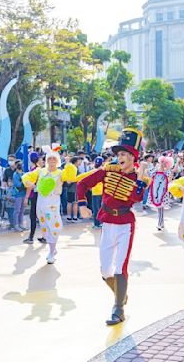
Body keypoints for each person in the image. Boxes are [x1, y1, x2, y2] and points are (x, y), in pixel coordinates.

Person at [77, 128, 150, 326]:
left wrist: (141, 179)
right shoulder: (107, 170)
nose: (120, 157)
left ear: (133, 157)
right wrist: (82, 205)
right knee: (105, 271)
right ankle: (121, 295)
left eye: (125, 154)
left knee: (120, 267)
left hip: (125, 224)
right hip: (107, 223)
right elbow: (82, 184)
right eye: (119, 154)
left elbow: (136, 198)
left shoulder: (139, 179)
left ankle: (118, 309)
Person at [22, 145, 74, 264]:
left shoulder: (60, 173)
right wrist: (32, 184)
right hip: (41, 202)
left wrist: (68, 164)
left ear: (57, 161)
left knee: (54, 226)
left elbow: (71, 177)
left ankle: (51, 253)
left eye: (54, 159)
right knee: (45, 226)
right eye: (49, 159)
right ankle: (53, 248)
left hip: (53, 202)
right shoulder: (41, 171)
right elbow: (26, 177)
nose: (51, 161)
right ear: (46, 160)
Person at [22, 153, 44, 244]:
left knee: (33, 216)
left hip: (35, 195)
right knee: (41, 216)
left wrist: (26, 197)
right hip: (42, 195)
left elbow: (29, 186)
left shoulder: (34, 170)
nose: (42, 161)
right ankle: (45, 236)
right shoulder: (41, 170)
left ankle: (31, 237)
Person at [66, 156, 82, 223]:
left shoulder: (69, 168)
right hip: (74, 188)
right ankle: (75, 218)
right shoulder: (75, 169)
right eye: (79, 161)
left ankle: (69, 217)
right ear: (76, 161)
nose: (80, 162)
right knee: (75, 203)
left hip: (69, 188)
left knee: (69, 203)